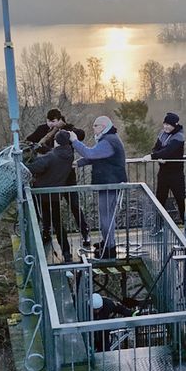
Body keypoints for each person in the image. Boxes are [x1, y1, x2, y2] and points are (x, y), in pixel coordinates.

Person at [26, 108, 90, 247]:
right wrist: (41, 149)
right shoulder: (42, 130)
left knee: (74, 205)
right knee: (47, 208)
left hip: (67, 177)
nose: (50, 125)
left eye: (53, 121)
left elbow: (81, 134)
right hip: (51, 178)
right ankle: (46, 232)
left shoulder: (67, 129)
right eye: (48, 121)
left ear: (59, 120)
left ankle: (85, 233)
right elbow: (29, 141)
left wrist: (66, 128)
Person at [73, 116, 128, 260]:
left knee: (106, 217)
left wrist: (74, 141)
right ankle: (107, 243)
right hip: (108, 183)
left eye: (96, 125)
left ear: (104, 126)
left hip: (110, 184)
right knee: (106, 216)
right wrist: (79, 163)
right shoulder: (109, 139)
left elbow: (90, 153)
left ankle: (109, 248)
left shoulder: (109, 141)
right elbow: (97, 156)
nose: (93, 128)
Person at [26, 130, 79, 262]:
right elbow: (53, 157)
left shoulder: (51, 157)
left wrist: (30, 159)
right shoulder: (69, 155)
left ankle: (43, 241)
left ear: (56, 141)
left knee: (38, 219)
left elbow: (35, 167)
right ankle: (66, 252)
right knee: (58, 223)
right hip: (55, 194)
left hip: (41, 193)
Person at [145, 112, 186, 223]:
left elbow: (168, 151)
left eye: (169, 125)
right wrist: (158, 156)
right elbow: (156, 148)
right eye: (165, 124)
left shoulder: (179, 137)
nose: (166, 127)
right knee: (160, 198)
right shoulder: (162, 134)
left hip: (176, 174)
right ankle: (158, 224)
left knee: (180, 198)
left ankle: (185, 222)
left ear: (175, 125)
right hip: (163, 172)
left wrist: (153, 156)